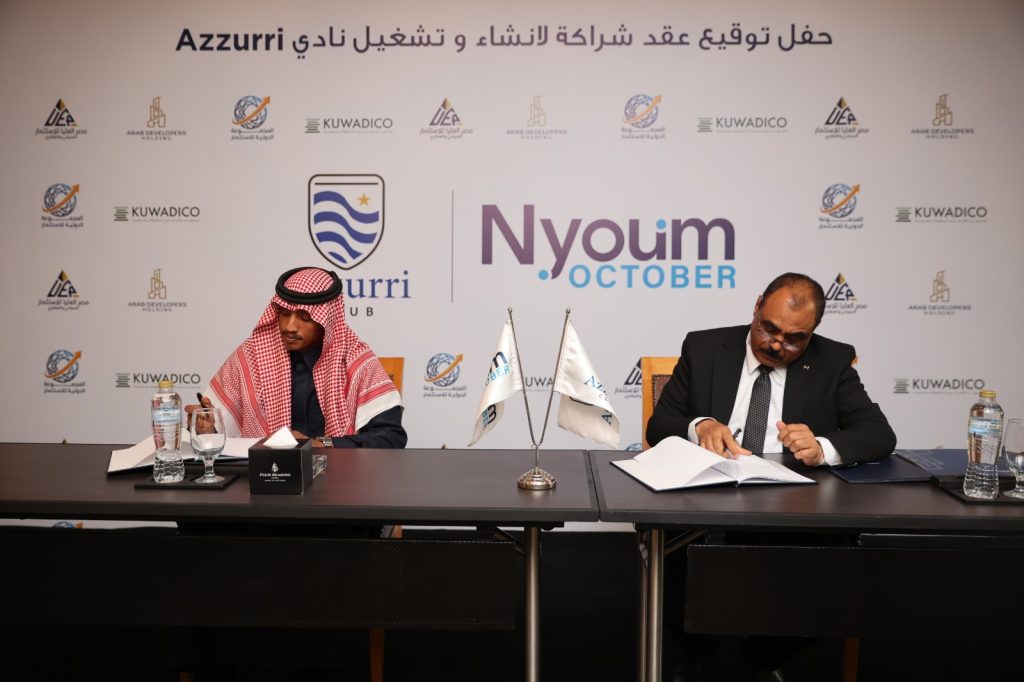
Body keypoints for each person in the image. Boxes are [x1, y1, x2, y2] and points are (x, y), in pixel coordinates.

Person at [647, 272, 895, 466]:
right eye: (769, 329)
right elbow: (658, 426)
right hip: (711, 489)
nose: (776, 345)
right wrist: (700, 427)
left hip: (796, 501)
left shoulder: (832, 360)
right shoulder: (704, 349)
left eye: (793, 339)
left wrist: (821, 449)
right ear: (757, 306)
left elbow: (879, 434)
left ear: (812, 332)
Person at [187, 266, 406, 449]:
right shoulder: (252, 356)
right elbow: (219, 433)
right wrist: (208, 428)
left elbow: (391, 438)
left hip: (338, 478)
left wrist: (322, 445)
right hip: (265, 478)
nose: (290, 326)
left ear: (326, 320)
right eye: (284, 314)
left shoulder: (355, 361)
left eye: (305, 317)